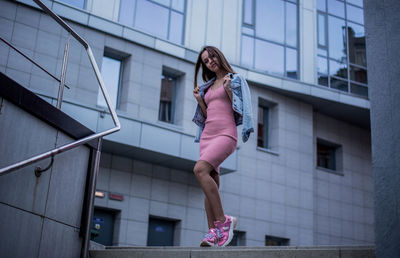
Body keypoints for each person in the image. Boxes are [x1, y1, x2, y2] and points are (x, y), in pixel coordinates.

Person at [192, 46, 254, 247]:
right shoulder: (208, 87)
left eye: (212, 57)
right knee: (211, 186)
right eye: (206, 60)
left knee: (199, 170)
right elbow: (209, 113)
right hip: (208, 136)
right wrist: (201, 100)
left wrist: (229, 90)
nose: (210, 61)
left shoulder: (234, 80)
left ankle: (224, 222)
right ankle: (214, 234)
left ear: (219, 56)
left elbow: (242, 108)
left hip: (226, 134)